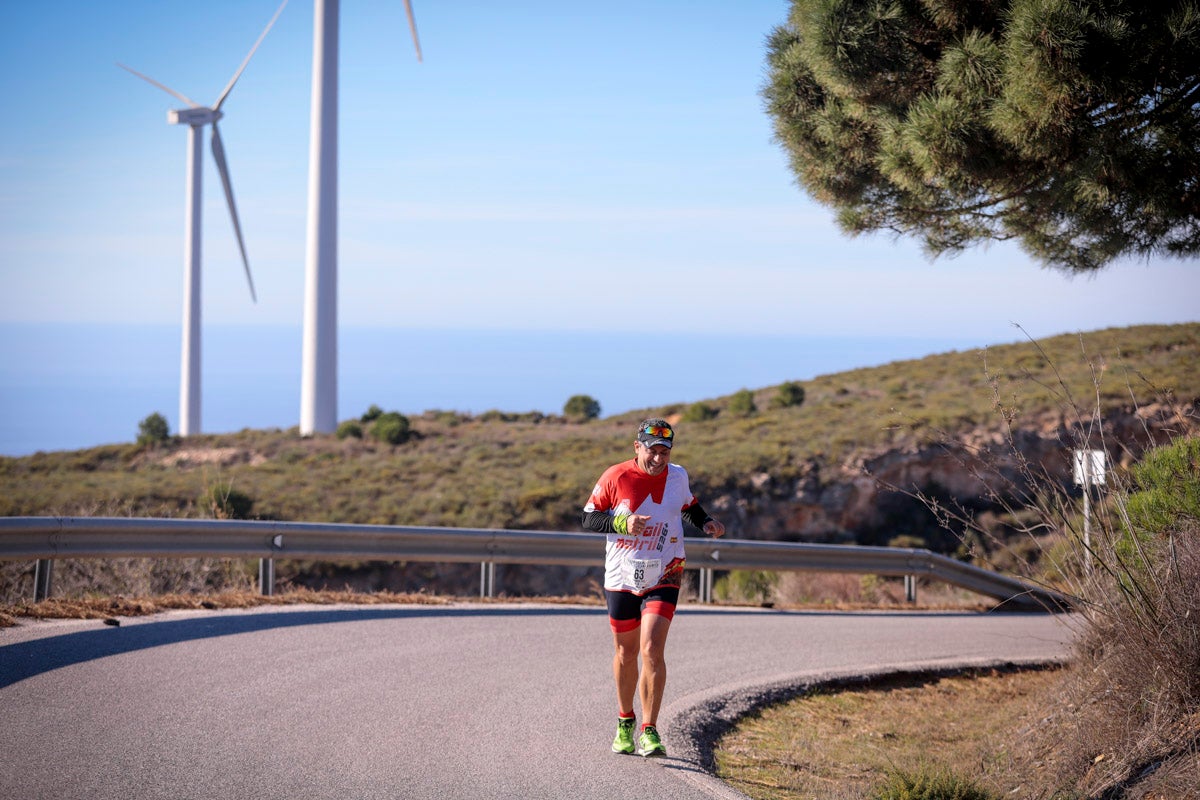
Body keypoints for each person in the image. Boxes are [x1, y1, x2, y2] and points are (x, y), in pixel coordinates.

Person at [581, 418, 725, 757]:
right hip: (622, 575)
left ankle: (650, 729)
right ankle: (625, 721)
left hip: (666, 570)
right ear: (637, 448)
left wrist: (706, 521)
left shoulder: (678, 475)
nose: (659, 459)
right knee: (625, 653)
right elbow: (588, 518)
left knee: (651, 650)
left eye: (665, 451)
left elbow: (688, 505)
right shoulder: (615, 476)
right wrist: (621, 522)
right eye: (652, 451)